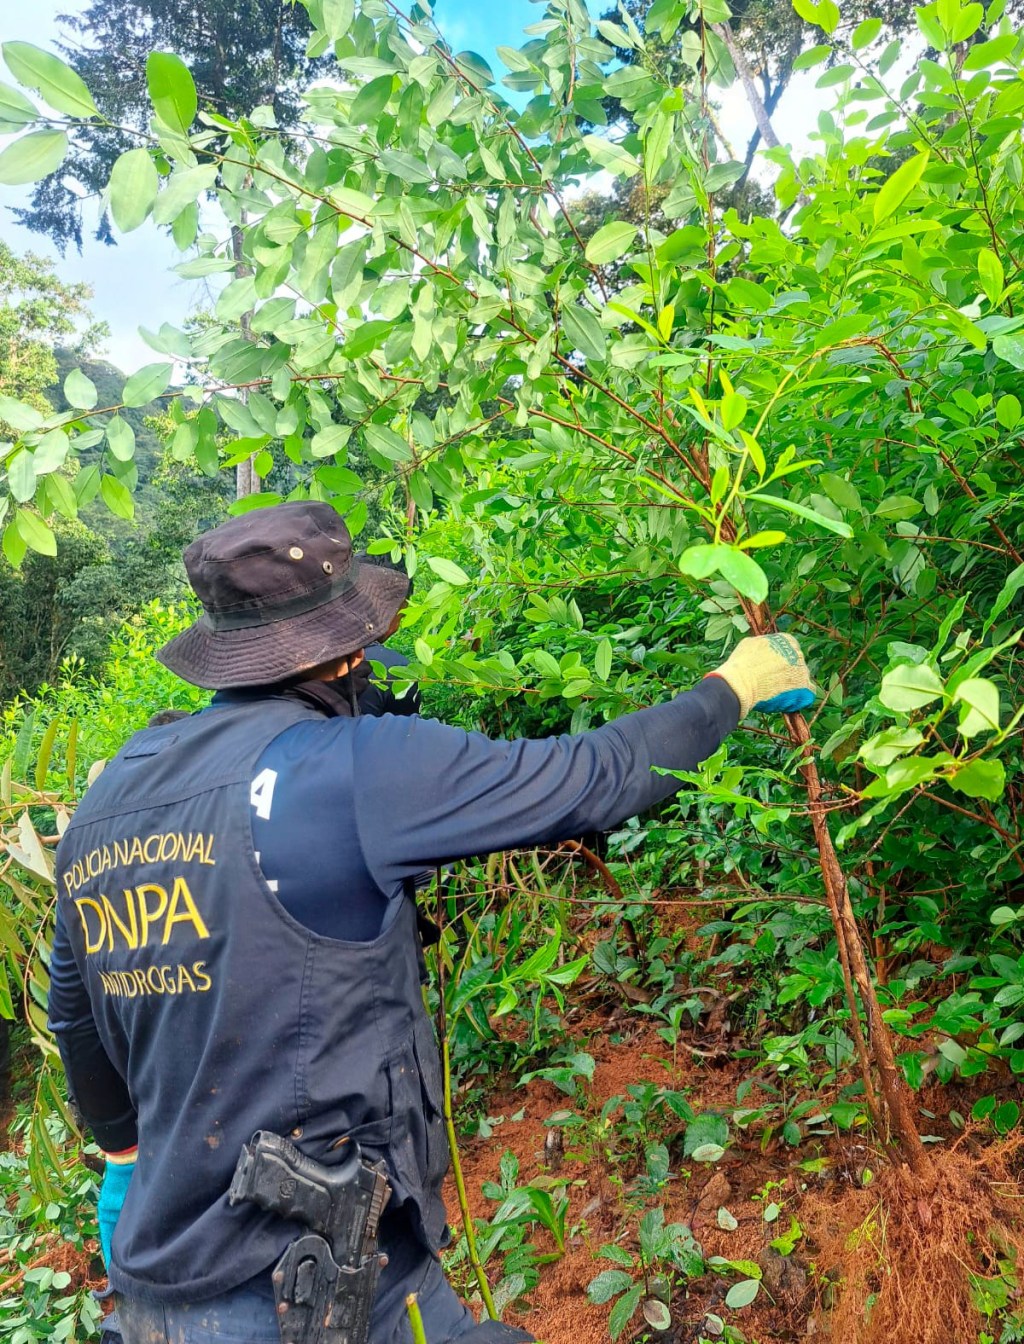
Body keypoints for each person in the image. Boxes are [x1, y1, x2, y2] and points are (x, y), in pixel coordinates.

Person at [47, 501, 814, 1344]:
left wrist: (122, 1156)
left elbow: (77, 1017)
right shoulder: (350, 769)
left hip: (154, 1296)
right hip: (320, 1297)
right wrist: (733, 687)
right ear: (345, 646)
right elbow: (595, 776)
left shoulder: (110, 796)